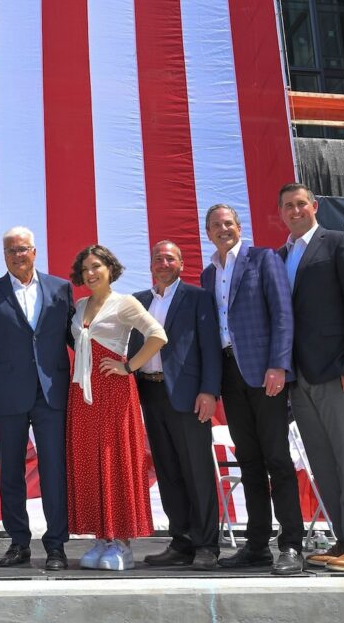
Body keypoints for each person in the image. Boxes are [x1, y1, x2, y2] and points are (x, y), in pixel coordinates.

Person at [278, 183, 344, 573]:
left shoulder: (338, 243)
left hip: (340, 373)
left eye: (300, 203)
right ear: (281, 213)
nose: (295, 210)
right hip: (300, 377)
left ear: (314, 206)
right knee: (323, 463)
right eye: (288, 206)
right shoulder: (281, 255)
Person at [200, 203, 304, 576]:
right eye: (215, 225)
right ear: (207, 232)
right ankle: (257, 545)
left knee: (277, 458)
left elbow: (282, 313)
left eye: (228, 223)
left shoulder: (264, 259)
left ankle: (292, 545)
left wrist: (279, 364)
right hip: (230, 375)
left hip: (265, 373)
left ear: (238, 226)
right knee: (249, 461)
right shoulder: (208, 275)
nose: (222, 229)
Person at [0, 226, 75, 571]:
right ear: (5, 255)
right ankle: (18, 542)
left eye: (24, 249)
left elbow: (77, 337)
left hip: (51, 393)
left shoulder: (61, 288)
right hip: (7, 395)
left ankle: (56, 545)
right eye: (11, 250)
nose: (18, 255)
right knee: (10, 473)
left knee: (53, 471)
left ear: (35, 251)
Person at [67, 244, 167, 571]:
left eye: (96, 266)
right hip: (83, 393)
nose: (91, 273)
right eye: (85, 270)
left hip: (113, 390)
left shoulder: (125, 303)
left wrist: (129, 366)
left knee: (115, 459)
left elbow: (157, 334)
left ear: (110, 268)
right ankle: (101, 536)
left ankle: (121, 541)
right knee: (89, 462)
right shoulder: (80, 305)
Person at [130, 241, 222, 570]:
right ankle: (181, 540)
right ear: (151, 264)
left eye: (170, 258)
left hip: (188, 397)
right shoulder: (139, 302)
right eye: (158, 258)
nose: (163, 263)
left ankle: (207, 544)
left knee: (197, 472)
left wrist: (210, 391)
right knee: (168, 472)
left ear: (181, 264)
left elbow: (211, 348)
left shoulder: (198, 297)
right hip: (151, 395)